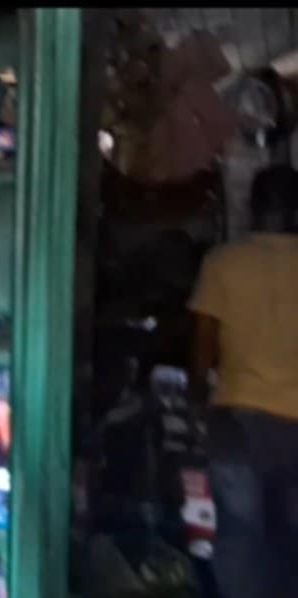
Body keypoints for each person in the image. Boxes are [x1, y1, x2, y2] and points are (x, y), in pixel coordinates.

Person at [189, 163, 298, 598]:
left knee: (240, 532)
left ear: (253, 207)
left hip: (237, 420)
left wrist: (198, 402)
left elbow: (203, 347)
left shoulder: (224, 263)